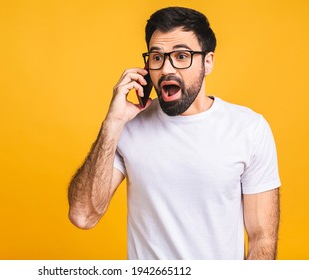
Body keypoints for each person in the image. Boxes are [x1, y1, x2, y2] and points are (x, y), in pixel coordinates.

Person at [68, 6, 281, 260]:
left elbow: (262, 239)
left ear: (208, 61)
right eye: (157, 58)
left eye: (181, 56)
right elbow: (83, 215)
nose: (167, 69)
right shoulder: (129, 126)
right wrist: (112, 123)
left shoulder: (248, 129)